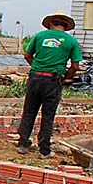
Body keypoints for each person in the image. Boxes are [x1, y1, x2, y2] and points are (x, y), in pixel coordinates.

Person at [17, 10, 83, 157]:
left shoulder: (40, 36)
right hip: (53, 80)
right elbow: (75, 66)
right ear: (65, 26)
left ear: (51, 23)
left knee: (29, 112)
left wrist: (36, 67)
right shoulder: (71, 41)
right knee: (48, 115)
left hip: (35, 78)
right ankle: (44, 150)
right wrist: (65, 77)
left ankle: (22, 144)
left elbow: (27, 55)